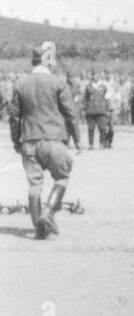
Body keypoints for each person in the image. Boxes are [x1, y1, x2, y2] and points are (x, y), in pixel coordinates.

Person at [8, 42, 80, 239]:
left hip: (30, 140)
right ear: (50, 63)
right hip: (55, 139)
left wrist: (16, 140)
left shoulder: (20, 83)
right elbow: (71, 114)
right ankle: (48, 213)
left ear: (33, 61)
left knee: (34, 185)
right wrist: (77, 139)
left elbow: (14, 117)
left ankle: (39, 228)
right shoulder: (58, 83)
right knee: (62, 178)